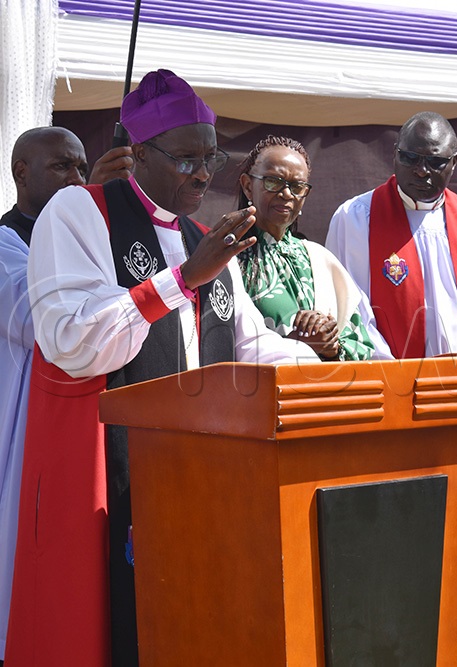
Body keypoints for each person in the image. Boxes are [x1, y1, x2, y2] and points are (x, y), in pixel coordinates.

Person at [5, 69, 318, 667]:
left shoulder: (204, 235)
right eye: (185, 158)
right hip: (106, 470)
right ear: (138, 154)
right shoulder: (79, 213)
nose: (204, 173)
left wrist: (334, 372)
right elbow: (72, 340)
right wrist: (180, 281)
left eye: (211, 156)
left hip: (199, 477)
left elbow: (251, 347)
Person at [325, 111, 457, 666]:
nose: (425, 172)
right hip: (394, 407)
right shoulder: (355, 217)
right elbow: (348, 312)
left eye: (438, 162)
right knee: (395, 536)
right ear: (395, 153)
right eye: (413, 158)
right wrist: (406, 385)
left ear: (455, 162)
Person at [0, 126, 132, 664]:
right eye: (62, 169)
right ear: (21, 173)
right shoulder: (8, 242)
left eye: (82, 169)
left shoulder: (96, 230)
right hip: (25, 426)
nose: (76, 179)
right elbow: (49, 327)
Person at [235, 135, 374, 361]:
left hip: (322, 393)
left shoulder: (320, 259)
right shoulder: (229, 258)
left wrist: (331, 345)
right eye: (273, 182)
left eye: (297, 186)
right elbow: (217, 342)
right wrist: (296, 345)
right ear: (248, 186)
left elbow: (361, 345)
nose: (287, 194)